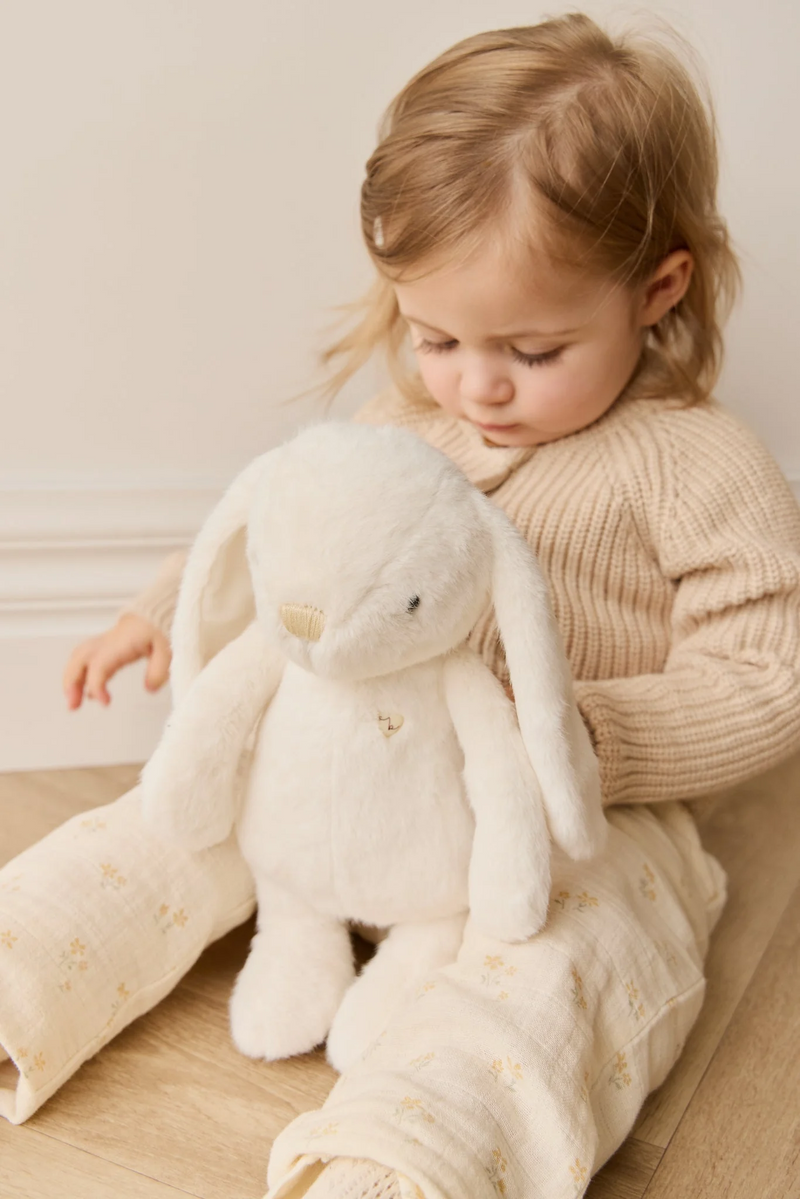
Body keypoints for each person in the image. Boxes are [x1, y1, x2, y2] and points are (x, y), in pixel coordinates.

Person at [61, 14, 800, 1198]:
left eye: (532, 349)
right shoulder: (408, 421)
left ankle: (414, 1151)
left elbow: (769, 672)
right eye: (437, 336)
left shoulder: (697, 465)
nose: (475, 383)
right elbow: (292, 534)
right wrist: (162, 609)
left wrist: (591, 736)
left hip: (582, 815)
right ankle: (29, 966)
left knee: (560, 964)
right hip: (349, 775)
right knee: (159, 820)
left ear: (656, 287)